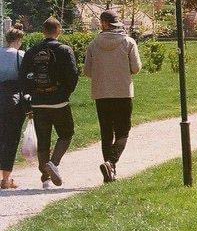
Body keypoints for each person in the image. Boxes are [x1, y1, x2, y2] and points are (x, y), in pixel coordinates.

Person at [84, 10, 141, 183]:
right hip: (122, 93)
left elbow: (87, 71)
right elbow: (136, 68)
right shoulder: (128, 42)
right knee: (123, 132)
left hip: (101, 94)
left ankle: (109, 171)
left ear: (103, 24)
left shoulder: (93, 44)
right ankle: (111, 162)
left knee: (106, 132)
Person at [25, 17, 79, 189]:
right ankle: (53, 163)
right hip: (58, 101)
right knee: (66, 133)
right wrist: (65, 93)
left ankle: (45, 179)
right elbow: (72, 75)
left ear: (43, 31)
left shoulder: (32, 51)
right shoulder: (65, 50)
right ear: (59, 31)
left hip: (38, 102)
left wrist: (31, 94)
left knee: (43, 140)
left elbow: (24, 75)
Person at [0, 27, 27, 189]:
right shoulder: (20, 55)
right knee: (11, 138)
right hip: (14, 101)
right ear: (19, 40)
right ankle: (6, 179)